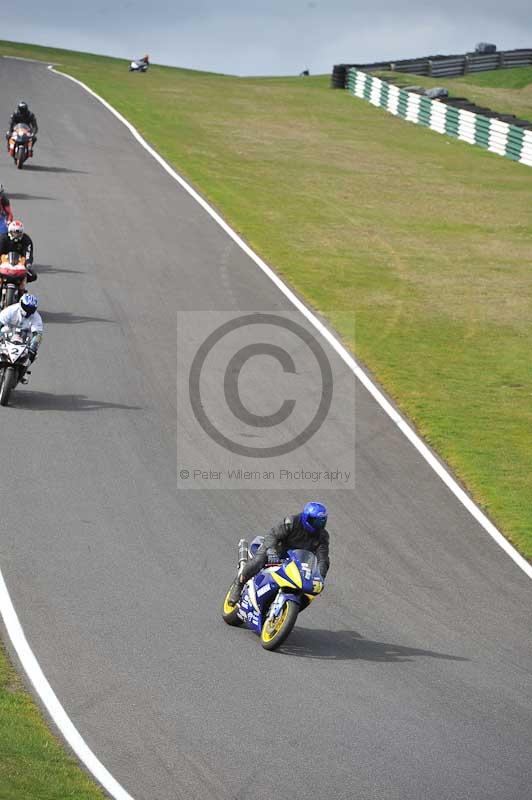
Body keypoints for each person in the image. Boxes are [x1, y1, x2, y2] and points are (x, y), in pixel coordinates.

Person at [228, 501, 330, 605]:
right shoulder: (292, 522)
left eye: (322, 522)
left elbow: (323, 558)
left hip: (297, 562)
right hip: (276, 552)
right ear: (306, 517)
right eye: (316, 521)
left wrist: (320, 575)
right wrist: (271, 550)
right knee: (259, 560)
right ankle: (238, 585)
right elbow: (273, 535)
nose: (319, 525)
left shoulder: (322, 536)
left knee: (308, 590)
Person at [0, 293, 43, 383]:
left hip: (23, 337)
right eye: (27, 308)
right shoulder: (11, 310)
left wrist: (33, 346)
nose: (29, 311)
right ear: (21, 304)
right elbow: (0, 322)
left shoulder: (36, 317)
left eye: (31, 309)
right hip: (7, 332)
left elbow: (38, 334)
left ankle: (23, 372)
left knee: (34, 354)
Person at [0, 220, 37, 289]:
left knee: (33, 275)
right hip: (4, 263)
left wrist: (28, 263)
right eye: (14, 232)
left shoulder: (26, 239)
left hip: (19, 264)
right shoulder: (3, 238)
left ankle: (22, 289)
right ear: (10, 231)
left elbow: (28, 253)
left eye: (18, 233)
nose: (16, 235)